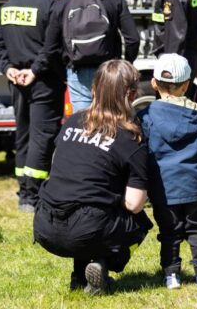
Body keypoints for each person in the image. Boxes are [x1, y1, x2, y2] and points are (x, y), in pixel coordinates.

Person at [33, 60, 153, 295]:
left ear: (94, 88)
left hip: (45, 224)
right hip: (85, 229)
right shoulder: (131, 137)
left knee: (90, 212)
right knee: (138, 223)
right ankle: (103, 264)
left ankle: (80, 277)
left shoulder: (72, 122)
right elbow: (134, 203)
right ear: (131, 94)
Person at [0, 0, 67, 212]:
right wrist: (34, 71)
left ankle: (24, 191)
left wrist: (8, 69)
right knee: (41, 138)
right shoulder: (52, 7)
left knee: (23, 136)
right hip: (43, 81)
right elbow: (52, 48)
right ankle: (33, 196)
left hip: (17, 82)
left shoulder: (8, 6)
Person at [140, 54, 197, 289]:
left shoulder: (145, 116)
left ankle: (171, 275)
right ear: (186, 85)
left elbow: (140, 152)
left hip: (162, 188)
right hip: (194, 185)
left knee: (169, 232)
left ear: (154, 83)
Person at [39, 0, 139, 112]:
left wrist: (65, 73)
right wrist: (126, 65)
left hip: (77, 72)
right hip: (110, 72)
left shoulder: (63, 4)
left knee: (83, 127)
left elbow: (50, 48)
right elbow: (133, 39)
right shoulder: (114, 0)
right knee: (111, 123)